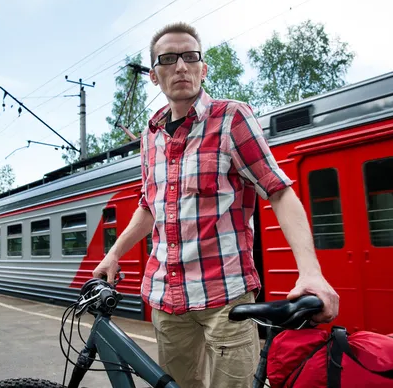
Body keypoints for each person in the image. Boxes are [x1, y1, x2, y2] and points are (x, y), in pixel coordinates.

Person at [93, 21, 339, 388]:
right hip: (166, 299)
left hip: (225, 298)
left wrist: (311, 272)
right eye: (169, 59)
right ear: (154, 76)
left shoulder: (232, 118)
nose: (181, 66)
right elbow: (149, 207)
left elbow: (278, 190)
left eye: (190, 57)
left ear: (203, 68)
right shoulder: (150, 137)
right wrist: (113, 255)